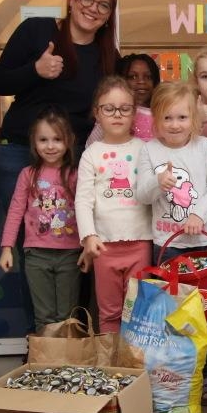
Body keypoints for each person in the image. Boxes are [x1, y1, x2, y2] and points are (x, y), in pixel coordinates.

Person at [0, 0, 120, 208]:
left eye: (103, 5)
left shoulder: (109, 57)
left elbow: (115, 109)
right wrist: (35, 70)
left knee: (66, 228)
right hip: (20, 151)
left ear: (109, 15)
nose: (93, 8)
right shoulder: (35, 30)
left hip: (74, 159)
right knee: (15, 226)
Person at [136, 81, 207, 402]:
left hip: (206, 243)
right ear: (155, 120)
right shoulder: (149, 150)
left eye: (182, 117)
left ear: (194, 119)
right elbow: (141, 194)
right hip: (168, 245)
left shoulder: (204, 147)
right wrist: (157, 182)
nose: (175, 125)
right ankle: (179, 374)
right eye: (167, 118)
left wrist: (199, 214)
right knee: (173, 314)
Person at [76, 77, 153, 333]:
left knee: (138, 311)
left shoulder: (146, 149)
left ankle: (134, 357)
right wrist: (89, 236)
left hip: (140, 243)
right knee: (109, 312)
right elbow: (83, 199)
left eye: (124, 108)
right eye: (109, 108)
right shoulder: (91, 153)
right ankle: (111, 358)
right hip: (104, 247)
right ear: (97, 113)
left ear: (134, 112)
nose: (117, 114)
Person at [0, 110, 86, 331]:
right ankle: (45, 354)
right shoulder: (27, 175)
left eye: (57, 139)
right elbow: (15, 211)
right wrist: (7, 248)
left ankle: (67, 354)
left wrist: (87, 248)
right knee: (43, 317)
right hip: (36, 255)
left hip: (70, 254)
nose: (50, 146)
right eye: (43, 140)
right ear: (34, 143)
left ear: (69, 141)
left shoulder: (76, 175)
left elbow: (87, 210)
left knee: (67, 316)